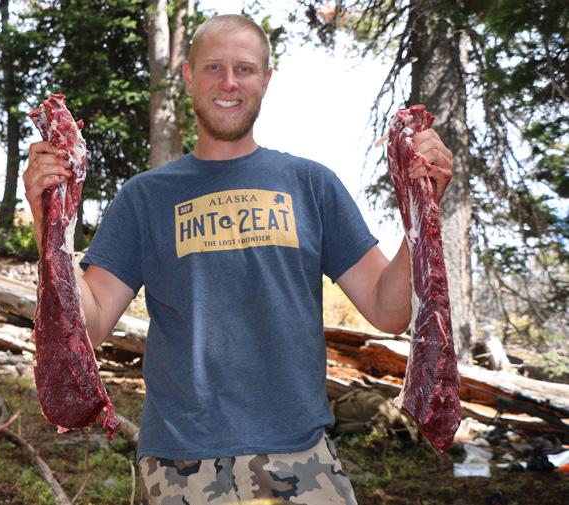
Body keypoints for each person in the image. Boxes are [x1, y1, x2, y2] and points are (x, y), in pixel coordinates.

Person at [23, 14, 453, 505]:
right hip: (180, 468)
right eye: (213, 68)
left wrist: (423, 210)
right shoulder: (144, 198)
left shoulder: (311, 185)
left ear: (266, 80)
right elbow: (90, 324)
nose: (228, 83)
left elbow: (389, 309)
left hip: (303, 460)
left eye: (244, 69)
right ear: (188, 76)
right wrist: (48, 223)